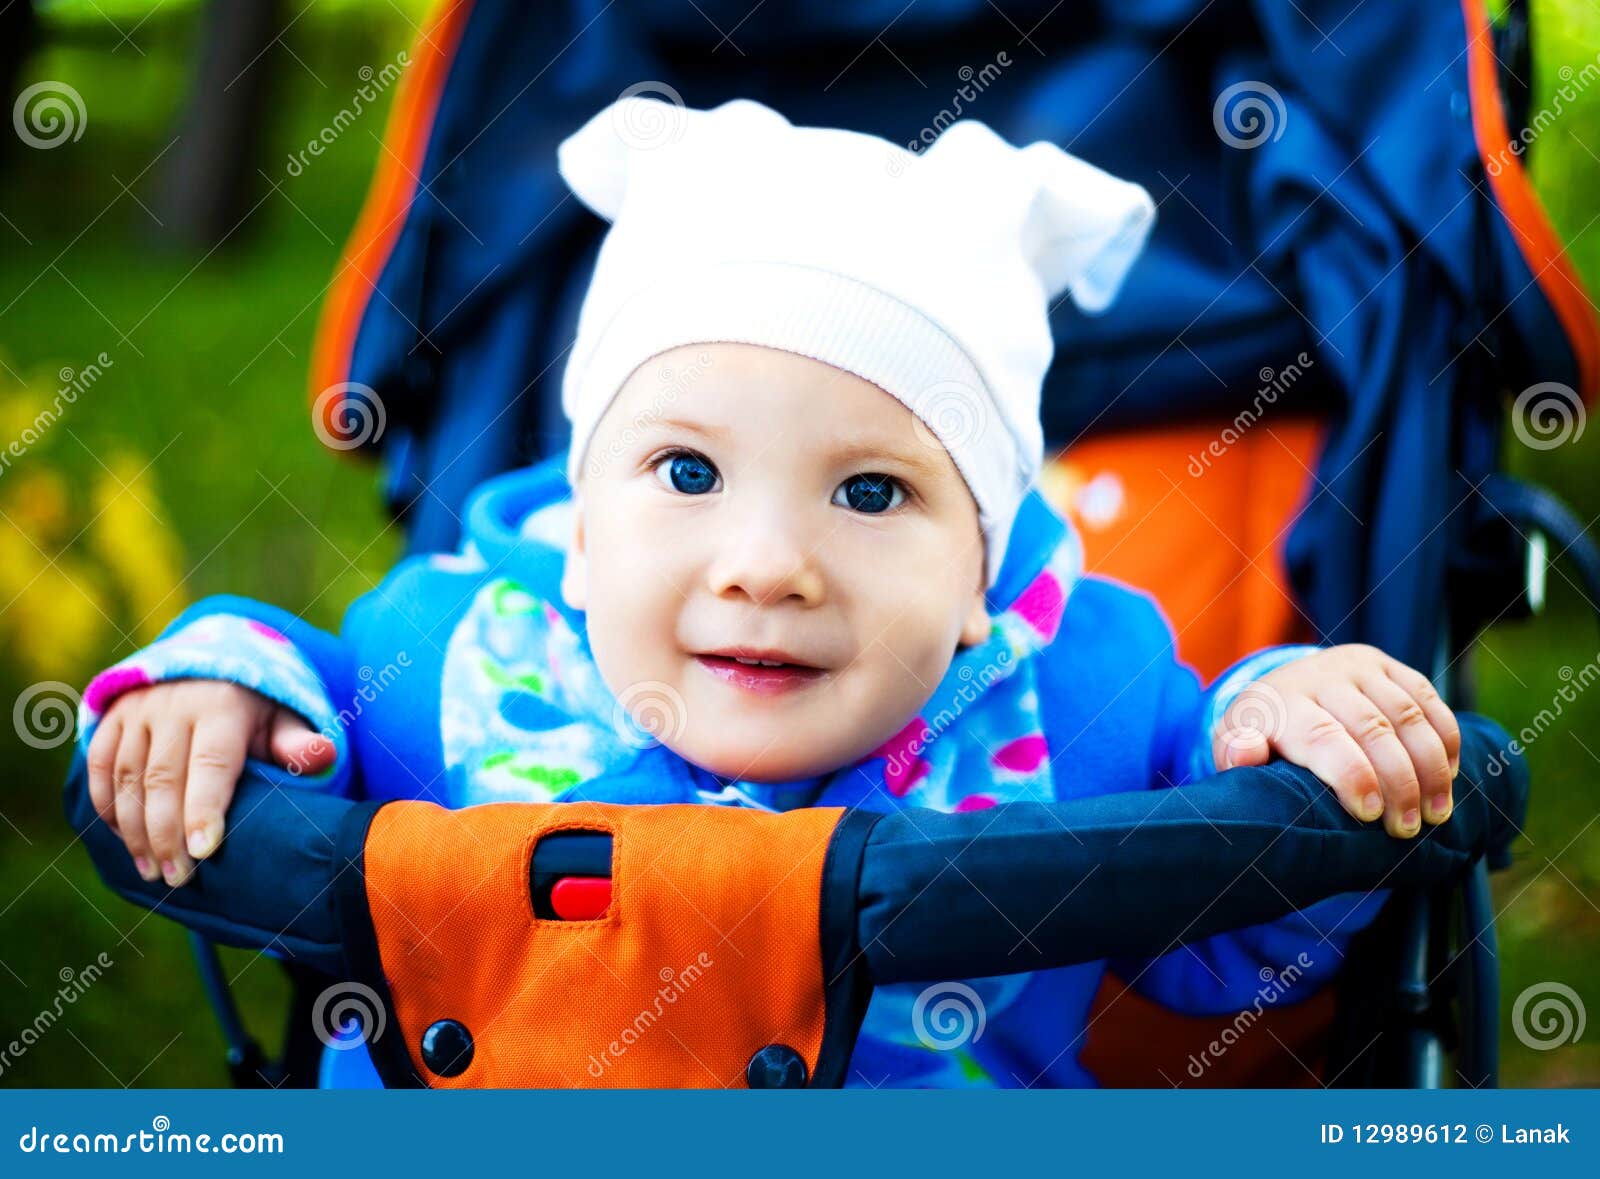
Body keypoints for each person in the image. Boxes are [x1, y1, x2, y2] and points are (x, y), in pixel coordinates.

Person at [73, 97, 1461, 1088]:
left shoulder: (1080, 701)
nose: (766, 564)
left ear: (983, 568)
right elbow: (302, 722)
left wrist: (1290, 719)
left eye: (870, 495)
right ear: (577, 519)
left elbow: (1237, 943)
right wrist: (223, 679)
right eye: (684, 473)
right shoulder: (448, 659)